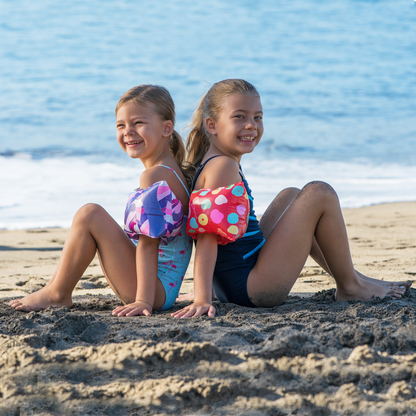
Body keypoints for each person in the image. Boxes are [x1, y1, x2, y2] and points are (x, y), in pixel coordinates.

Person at [172, 79, 412, 319]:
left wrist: (210, 290)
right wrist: (202, 297)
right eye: (239, 117)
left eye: (258, 117)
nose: (251, 126)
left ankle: (355, 278)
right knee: (320, 193)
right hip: (252, 288)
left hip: (236, 282)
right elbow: (206, 235)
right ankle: (350, 286)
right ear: (212, 125)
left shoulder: (217, 160)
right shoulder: (222, 166)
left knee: (291, 194)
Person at [10, 85, 193, 316]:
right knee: (90, 216)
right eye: (121, 125)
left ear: (167, 128)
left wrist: (143, 301)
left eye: (138, 123)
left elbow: (149, 243)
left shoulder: (154, 175)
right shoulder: (171, 171)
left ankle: (57, 293)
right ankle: (54, 289)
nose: (128, 131)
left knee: (90, 214)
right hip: (161, 287)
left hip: (153, 291)